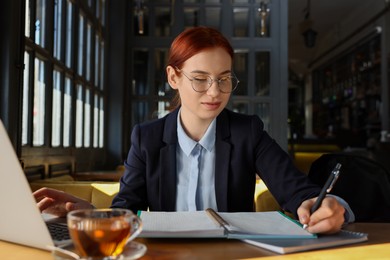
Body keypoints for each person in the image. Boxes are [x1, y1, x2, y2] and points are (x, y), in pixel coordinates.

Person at [34, 26, 353, 234]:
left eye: (224, 78)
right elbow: (126, 208)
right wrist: (92, 213)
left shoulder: (247, 132)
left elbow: (298, 192)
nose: (215, 92)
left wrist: (326, 206)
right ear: (173, 77)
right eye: (200, 79)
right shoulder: (146, 138)